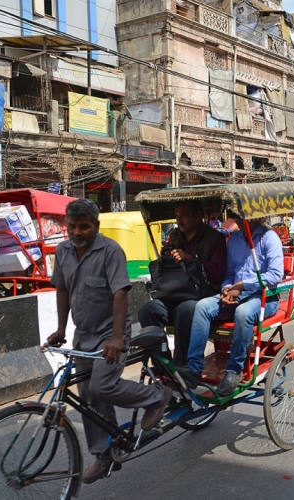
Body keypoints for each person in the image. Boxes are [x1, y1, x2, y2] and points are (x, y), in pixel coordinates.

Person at [45, 199, 171, 484]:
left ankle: (157, 395)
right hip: (82, 333)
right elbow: (62, 290)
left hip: (110, 333)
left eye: (84, 226)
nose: (77, 232)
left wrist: (116, 337)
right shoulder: (63, 250)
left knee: (103, 385)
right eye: (72, 226)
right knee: (88, 396)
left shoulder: (110, 251)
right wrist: (60, 328)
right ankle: (106, 452)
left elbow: (120, 294)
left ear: (96, 226)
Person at [180, 216, 284, 395]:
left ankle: (234, 369)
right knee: (202, 306)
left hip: (264, 297)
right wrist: (227, 289)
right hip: (235, 294)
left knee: (243, 312)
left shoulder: (269, 237)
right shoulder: (235, 240)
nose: (241, 220)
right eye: (238, 216)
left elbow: (275, 274)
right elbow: (229, 274)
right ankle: (194, 367)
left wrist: (242, 286)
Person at [138, 201, 227, 367]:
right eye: (177, 215)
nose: (179, 220)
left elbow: (218, 273)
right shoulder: (175, 236)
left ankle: (181, 365)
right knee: (147, 310)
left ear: (198, 216)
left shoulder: (215, 239)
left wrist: (192, 260)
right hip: (174, 293)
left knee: (184, 310)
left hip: (202, 295)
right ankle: (162, 364)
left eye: (184, 215)